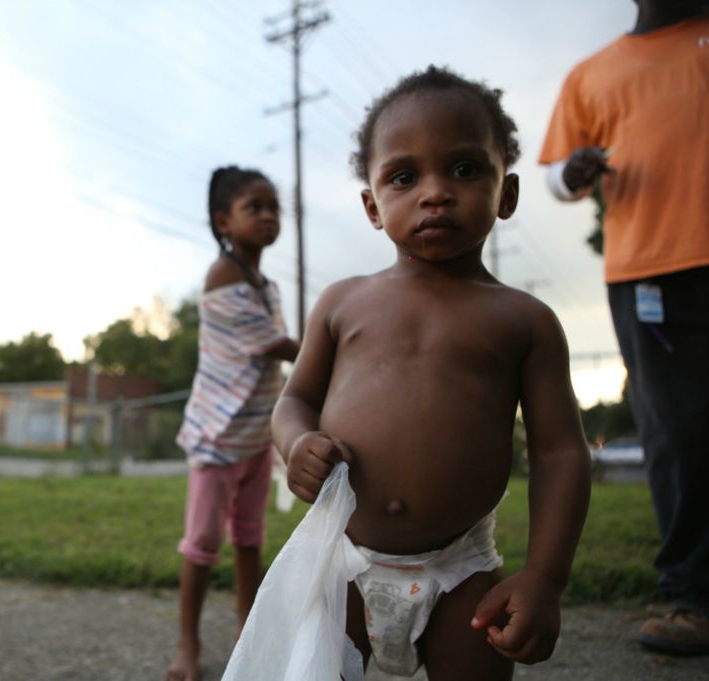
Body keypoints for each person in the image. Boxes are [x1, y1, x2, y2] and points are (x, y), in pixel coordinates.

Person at [258, 66, 591, 680]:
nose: (435, 192)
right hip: (344, 567)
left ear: (507, 193)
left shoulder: (524, 321)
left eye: (465, 169)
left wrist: (545, 578)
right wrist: (296, 441)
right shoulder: (341, 303)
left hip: (461, 573)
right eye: (405, 177)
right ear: (373, 206)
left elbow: (561, 454)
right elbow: (293, 401)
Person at [538, 1, 709, 656]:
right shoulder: (592, 74)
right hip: (649, 273)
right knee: (677, 430)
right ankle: (690, 596)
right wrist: (572, 174)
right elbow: (556, 174)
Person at [166, 165, 300, 681]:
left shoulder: (267, 285)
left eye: (274, 208)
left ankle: (251, 639)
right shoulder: (222, 276)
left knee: (249, 540)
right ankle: (187, 647)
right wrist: (339, 348)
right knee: (201, 546)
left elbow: (279, 350)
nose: (268, 216)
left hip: (253, 439)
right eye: (255, 208)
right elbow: (275, 346)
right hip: (216, 440)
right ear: (224, 221)